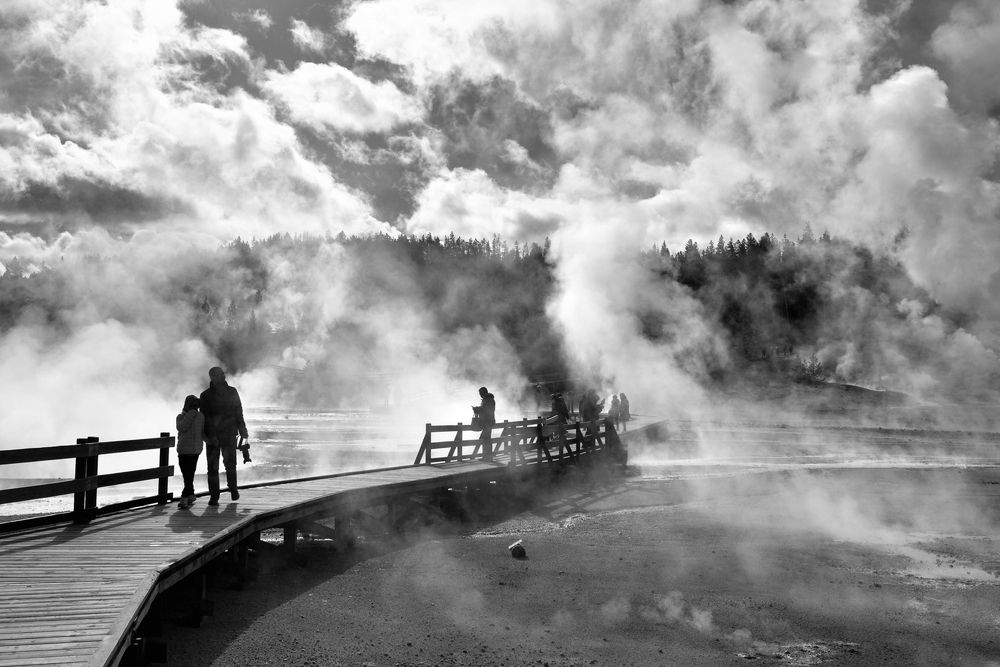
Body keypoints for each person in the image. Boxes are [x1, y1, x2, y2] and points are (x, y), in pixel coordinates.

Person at [199, 366, 249, 505]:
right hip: (213, 437)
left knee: (230, 464)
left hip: (229, 434)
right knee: (212, 467)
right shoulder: (205, 395)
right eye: (220, 374)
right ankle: (214, 496)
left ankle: (233, 489)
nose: (224, 376)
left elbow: (239, 412)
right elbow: (205, 418)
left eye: (223, 374)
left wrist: (243, 430)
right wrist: (210, 436)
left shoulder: (232, 392)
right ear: (212, 377)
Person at [175, 395, 204, 509]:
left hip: (184, 450)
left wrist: (190, 413)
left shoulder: (181, 417)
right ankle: (191, 495)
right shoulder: (201, 416)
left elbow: (182, 428)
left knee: (187, 475)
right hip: (195, 450)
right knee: (189, 474)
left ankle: (184, 498)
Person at [473, 386, 496, 459]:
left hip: (488, 422)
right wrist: (478, 409)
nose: (480, 395)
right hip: (486, 422)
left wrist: (477, 409)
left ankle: (488, 457)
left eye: (481, 393)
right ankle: (487, 456)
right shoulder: (486, 399)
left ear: (484, 393)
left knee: (486, 440)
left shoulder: (489, 400)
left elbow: (486, 410)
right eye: (479, 394)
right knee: (486, 439)